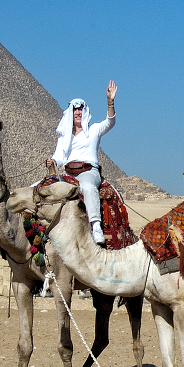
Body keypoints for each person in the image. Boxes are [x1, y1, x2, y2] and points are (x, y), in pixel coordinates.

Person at [49, 80, 117, 244]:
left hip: (88, 172)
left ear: (85, 112)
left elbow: (110, 122)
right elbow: (58, 156)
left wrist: (110, 101)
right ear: (70, 113)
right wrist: (51, 161)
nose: (78, 113)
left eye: (80, 109)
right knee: (44, 189)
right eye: (75, 110)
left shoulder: (93, 130)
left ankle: (96, 226)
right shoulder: (64, 136)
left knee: (87, 187)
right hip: (68, 173)